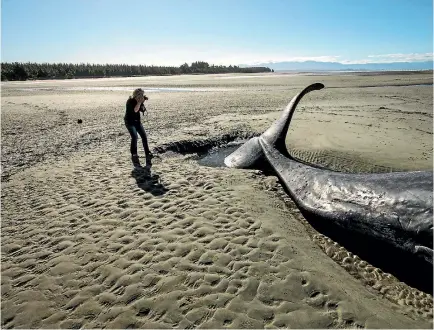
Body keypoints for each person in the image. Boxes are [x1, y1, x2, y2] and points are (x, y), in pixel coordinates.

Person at [124, 88, 153, 167]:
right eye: (141, 95)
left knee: (144, 136)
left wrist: (143, 104)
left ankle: (147, 153)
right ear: (137, 95)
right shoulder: (130, 101)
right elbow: (136, 110)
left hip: (137, 121)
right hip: (129, 122)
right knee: (134, 137)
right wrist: (140, 102)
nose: (142, 96)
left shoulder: (139, 101)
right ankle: (134, 154)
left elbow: (142, 110)